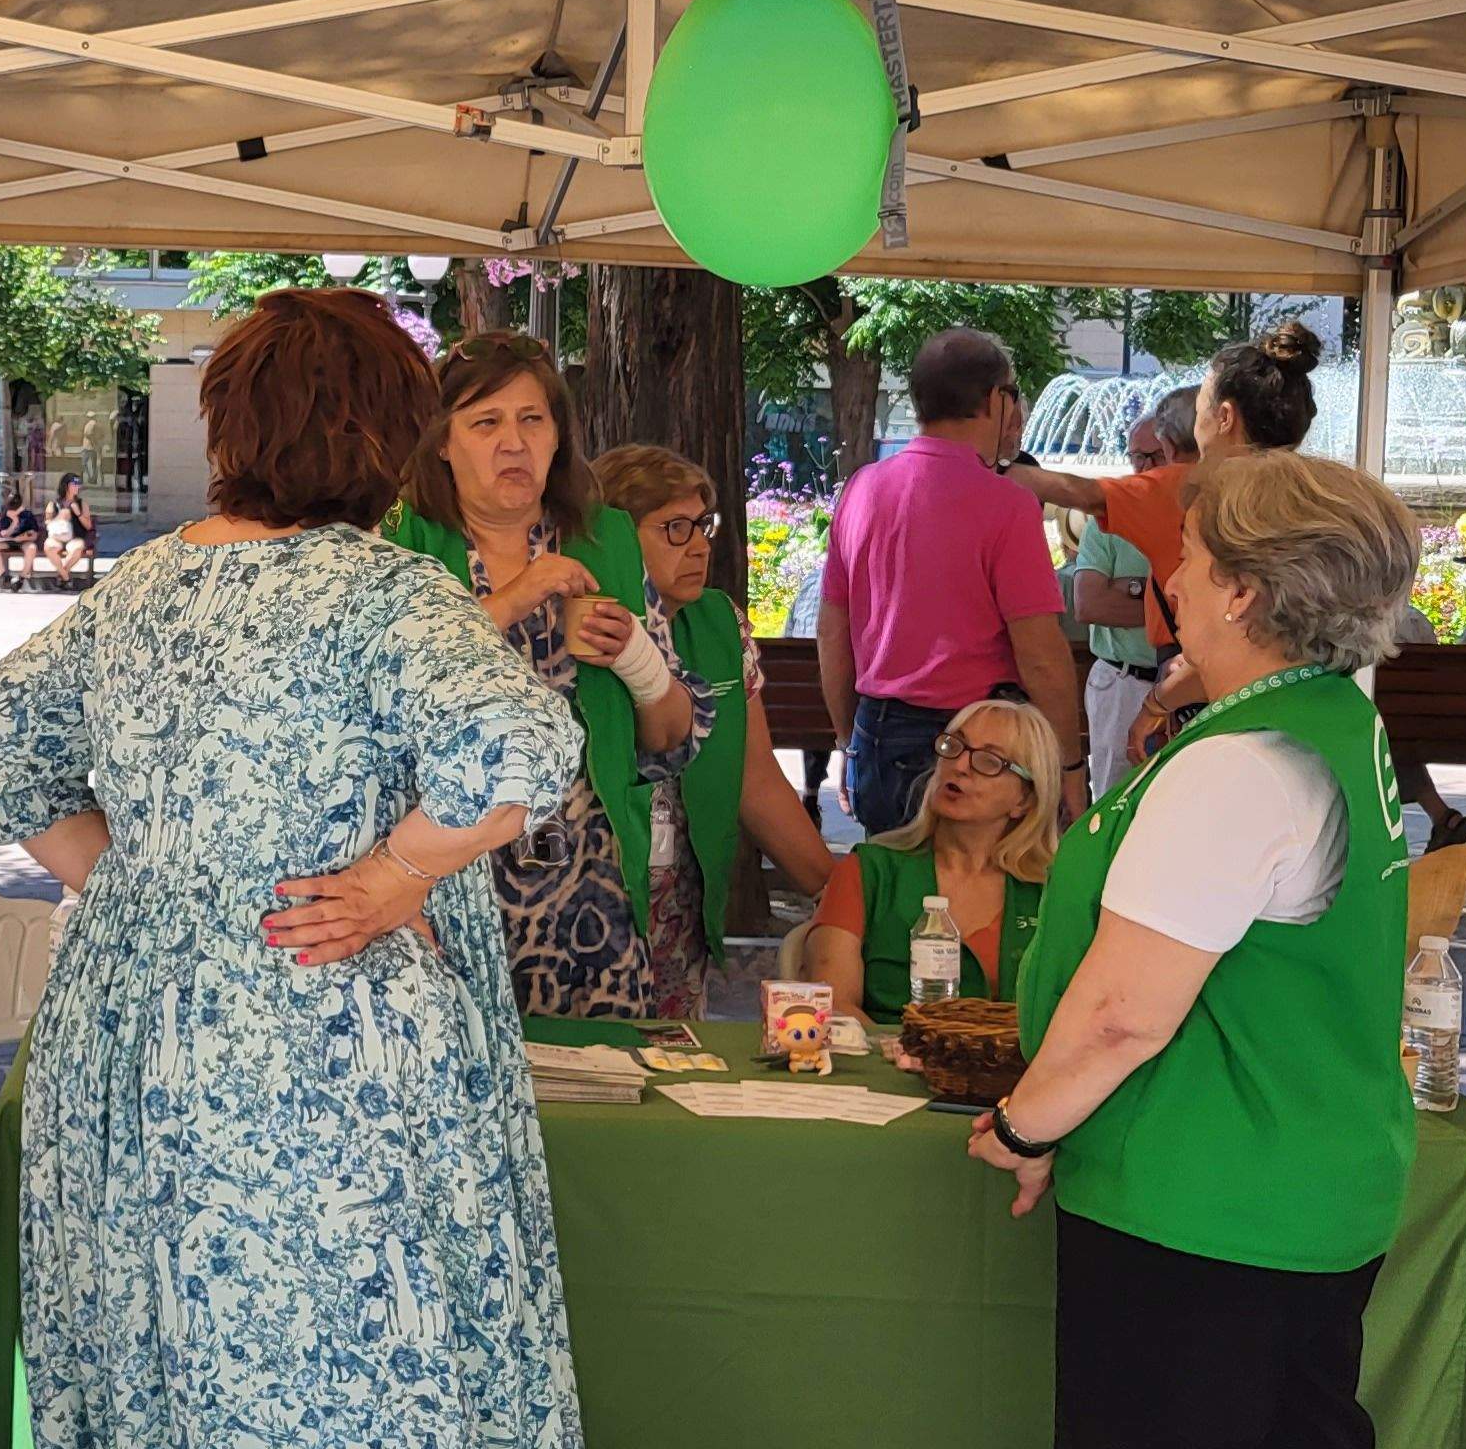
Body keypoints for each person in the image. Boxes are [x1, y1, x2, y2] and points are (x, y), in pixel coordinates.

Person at [0, 285, 585, 1449]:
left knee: (158, 1354)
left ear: (233, 425)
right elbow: (520, 750)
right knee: (342, 1372)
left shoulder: (138, 587)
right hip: (321, 1031)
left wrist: (140, 880)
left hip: (128, 1033)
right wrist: (395, 876)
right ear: (385, 436)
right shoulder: (383, 591)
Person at [978, 450, 1422, 1449]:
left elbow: (1121, 1014)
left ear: (1243, 591)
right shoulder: (1327, 719)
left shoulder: (1243, 763)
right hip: (1294, 1180)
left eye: (1187, 557)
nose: (1169, 582)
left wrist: (1025, 1126)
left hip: (1203, 1200)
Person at [386, 332, 706, 1019]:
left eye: (533, 419)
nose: (514, 442)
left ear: (558, 436)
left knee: (598, 1079)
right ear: (442, 443)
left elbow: (673, 738)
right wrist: (515, 598)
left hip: (592, 889)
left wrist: (636, 660)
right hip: (443, 886)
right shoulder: (403, 540)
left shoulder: (606, 538)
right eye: (486, 423)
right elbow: (384, 692)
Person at [819, 328, 1085, 835]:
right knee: (978, 883)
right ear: (996, 399)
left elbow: (832, 632)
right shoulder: (1007, 503)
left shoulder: (862, 489)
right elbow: (1040, 653)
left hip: (879, 731)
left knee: (896, 881)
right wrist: (1069, 766)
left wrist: (850, 741)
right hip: (978, 744)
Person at [590, 443, 832, 1000]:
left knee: (679, 1047)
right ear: (613, 537)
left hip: (680, 912)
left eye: (703, 525)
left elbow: (756, 779)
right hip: (587, 905)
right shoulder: (575, 626)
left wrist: (839, 893)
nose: (699, 545)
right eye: (675, 529)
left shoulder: (721, 624)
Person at [1097, 322, 1331, 767]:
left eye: (1200, 406)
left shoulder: (1227, 509)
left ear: (1224, 417)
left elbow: (1232, 646)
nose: (1175, 582)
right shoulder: (1320, 501)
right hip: (1314, 723)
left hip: (1246, 737)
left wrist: (1159, 700)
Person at [813, 698, 1060, 1024]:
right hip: (883, 1054)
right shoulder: (868, 872)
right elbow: (833, 1008)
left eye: (989, 761)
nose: (960, 766)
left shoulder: (1051, 893)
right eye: (953, 746)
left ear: (1024, 800)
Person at [1048, 391, 1195, 799]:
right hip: (1123, 682)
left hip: (1188, 684)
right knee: (1113, 798)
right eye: (1136, 457)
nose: (1143, 468)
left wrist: (1129, 589)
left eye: (1155, 456)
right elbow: (1090, 604)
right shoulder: (1110, 518)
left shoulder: (1203, 513)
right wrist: (1167, 599)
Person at [0, 484, 47, 591]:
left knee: (32, 548)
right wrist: (14, 521)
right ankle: (2, 574)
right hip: (9, 541)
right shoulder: (5, 514)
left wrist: (22, 538)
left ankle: (22, 577)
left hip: (24, 542)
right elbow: (4, 534)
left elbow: (34, 535)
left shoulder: (27, 515)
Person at [42, 473, 98, 590]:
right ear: (66, 486)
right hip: (57, 537)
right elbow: (47, 523)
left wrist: (78, 513)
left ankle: (62, 575)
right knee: (49, 547)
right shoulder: (53, 504)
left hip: (75, 537)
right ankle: (66, 578)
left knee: (76, 549)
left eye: (78, 484)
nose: (78, 487)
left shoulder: (82, 504)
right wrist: (60, 516)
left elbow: (88, 526)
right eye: (75, 484)